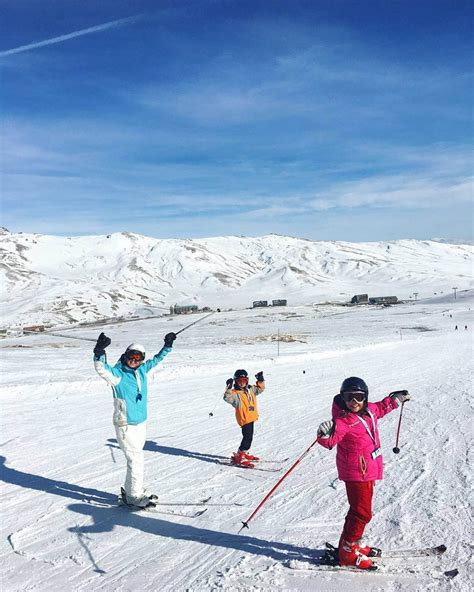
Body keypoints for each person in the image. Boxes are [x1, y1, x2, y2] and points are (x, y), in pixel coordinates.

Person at [317, 376, 411, 570]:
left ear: (365, 398)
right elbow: (330, 441)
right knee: (362, 513)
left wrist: (396, 399)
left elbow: (383, 407)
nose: (354, 402)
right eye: (349, 397)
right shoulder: (343, 421)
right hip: (356, 473)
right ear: (343, 398)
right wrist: (324, 433)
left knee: (357, 511)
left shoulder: (370, 410)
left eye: (358, 397)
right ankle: (348, 554)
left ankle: (348, 545)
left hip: (368, 469)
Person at [93, 331, 176, 508]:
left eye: (138, 358)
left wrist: (167, 346)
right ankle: (133, 497)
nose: (134, 360)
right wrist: (99, 351)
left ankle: (133, 489)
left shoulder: (142, 370)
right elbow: (102, 368)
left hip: (140, 423)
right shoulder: (117, 375)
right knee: (136, 460)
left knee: (136, 459)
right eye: (131, 356)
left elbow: (156, 360)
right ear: (125, 356)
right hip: (125, 425)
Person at [223, 369, 265, 467]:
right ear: (236, 382)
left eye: (244, 381)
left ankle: (242, 453)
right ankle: (239, 456)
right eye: (239, 381)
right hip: (244, 419)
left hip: (252, 417)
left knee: (249, 438)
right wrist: (228, 387)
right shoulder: (235, 394)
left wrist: (260, 380)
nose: (242, 383)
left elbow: (260, 389)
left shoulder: (251, 390)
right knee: (247, 438)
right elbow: (226, 398)